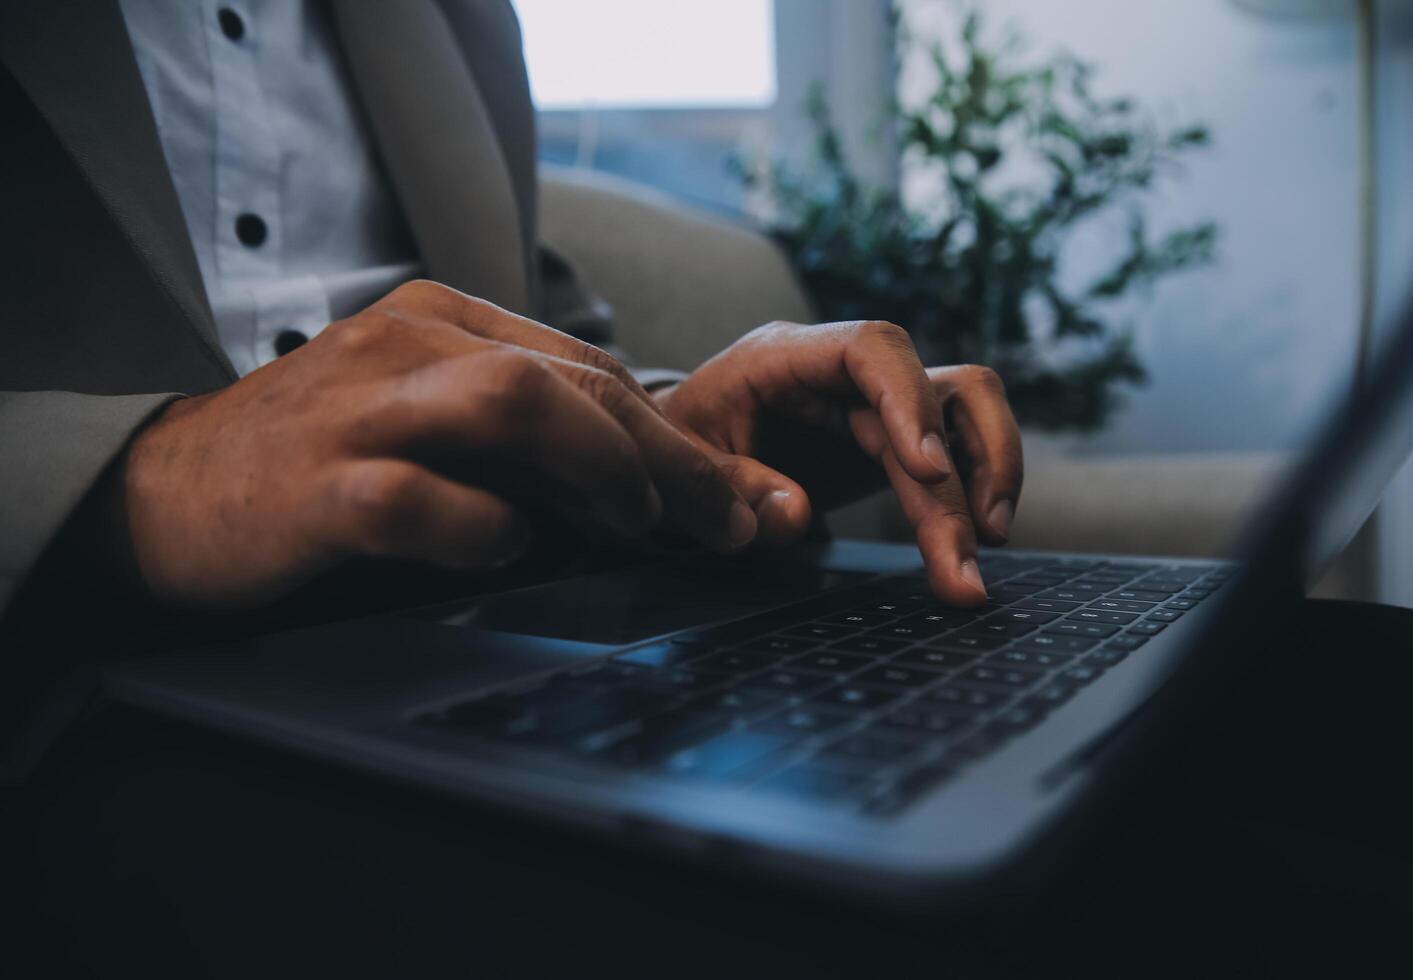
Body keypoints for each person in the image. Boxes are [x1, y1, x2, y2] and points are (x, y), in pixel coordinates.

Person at [0, 0, 1022, 776]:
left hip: (490, 666)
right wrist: (135, 480)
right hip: (76, 711)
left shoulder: (461, 24)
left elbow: (531, 326)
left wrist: (673, 433)